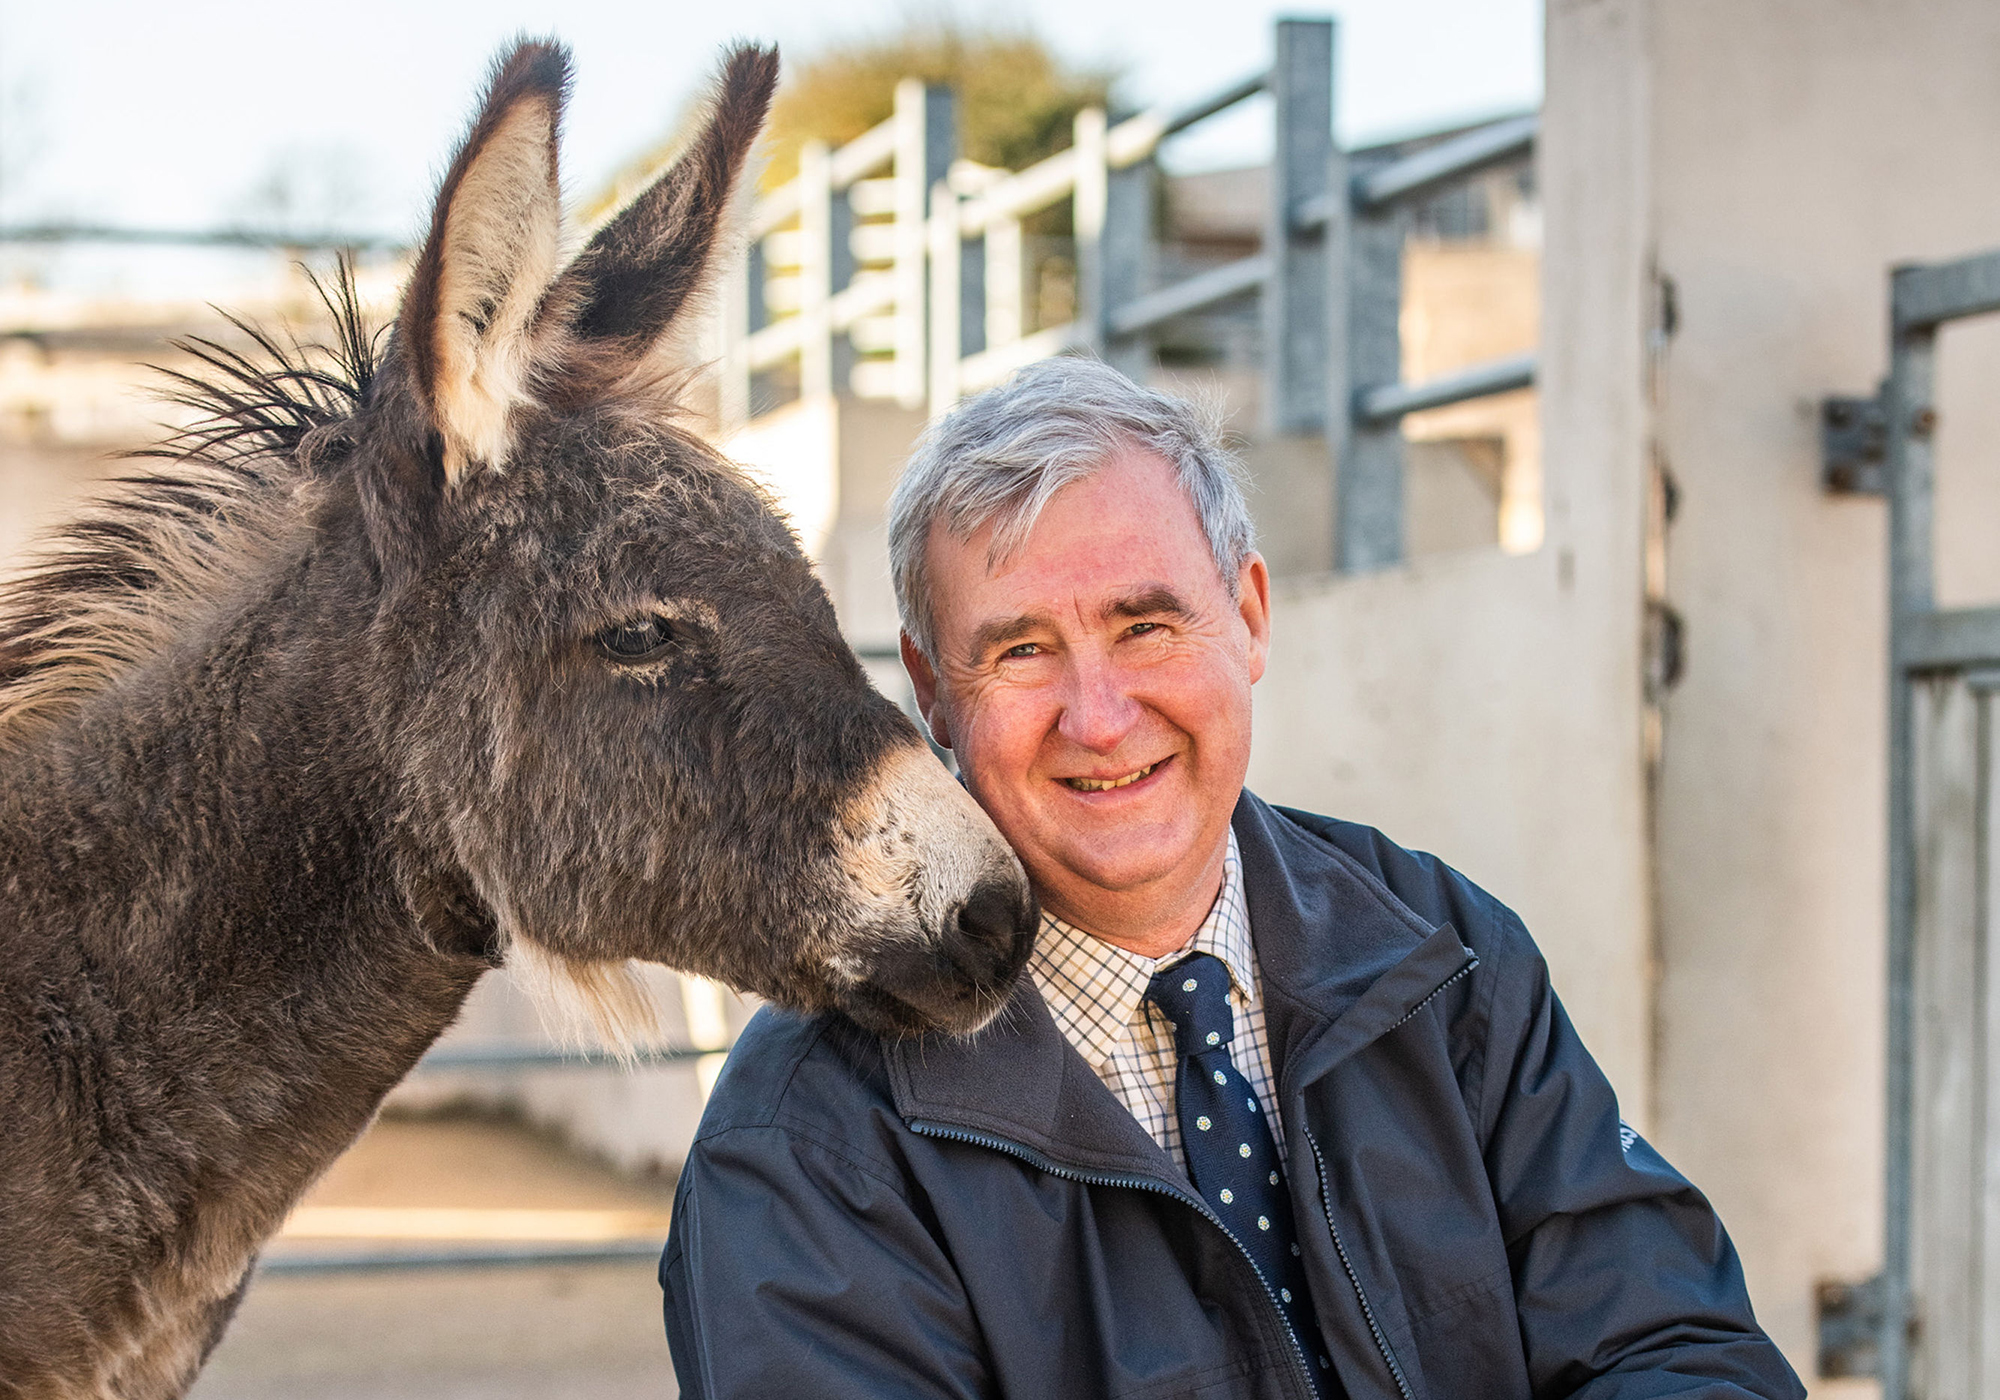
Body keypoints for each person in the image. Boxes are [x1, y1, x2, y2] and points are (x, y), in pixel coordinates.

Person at [660, 356, 1803, 1400]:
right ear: (930, 691)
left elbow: (1673, 1347)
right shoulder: (804, 1142)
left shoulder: (1443, 952)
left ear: (1247, 616)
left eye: (1145, 624)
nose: (1098, 719)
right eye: (1020, 650)